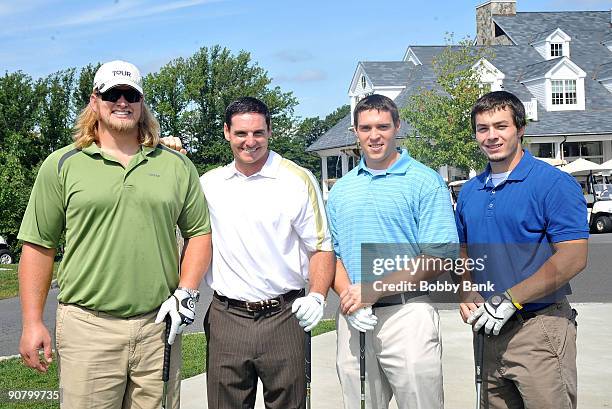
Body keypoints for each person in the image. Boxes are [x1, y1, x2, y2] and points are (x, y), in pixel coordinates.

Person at [17, 60, 212, 409]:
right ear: (95, 101)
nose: (122, 102)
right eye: (112, 94)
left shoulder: (177, 165)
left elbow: (199, 233)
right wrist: (32, 322)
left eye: (131, 95)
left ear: (141, 103)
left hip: (157, 328)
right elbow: (38, 246)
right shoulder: (62, 164)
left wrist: (187, 291)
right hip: (88, 329)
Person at [199, 97, 335, 409]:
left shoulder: (297, 180)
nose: (250, 142)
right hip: (227, 317)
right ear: (226, 133)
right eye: (241, 134)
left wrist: (317, 296)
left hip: (284, 316)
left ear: (270, 131)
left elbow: (321, 248)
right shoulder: (209, 184)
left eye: (258, 133)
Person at [455, 90, 589, 409]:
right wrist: (466, 290)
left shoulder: (553, 184)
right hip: (487, 332)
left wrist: (510, 298)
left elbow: (573, 257)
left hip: (539, 327)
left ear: (520, 128)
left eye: (501, 126)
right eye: (483, 128)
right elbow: (462, 250)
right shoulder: (469, 191)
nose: (491, 136)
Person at [326, 94, 459, 409]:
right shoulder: (341, 190)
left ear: (397, 126)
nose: (374, 136)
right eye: (366, 128)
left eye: (383, 126)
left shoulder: (425, 182)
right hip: (353, 316)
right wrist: (352, 299)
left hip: (407, 314)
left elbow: (439, 256)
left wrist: (372, 291)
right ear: (355, 131)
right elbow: (333, 256)